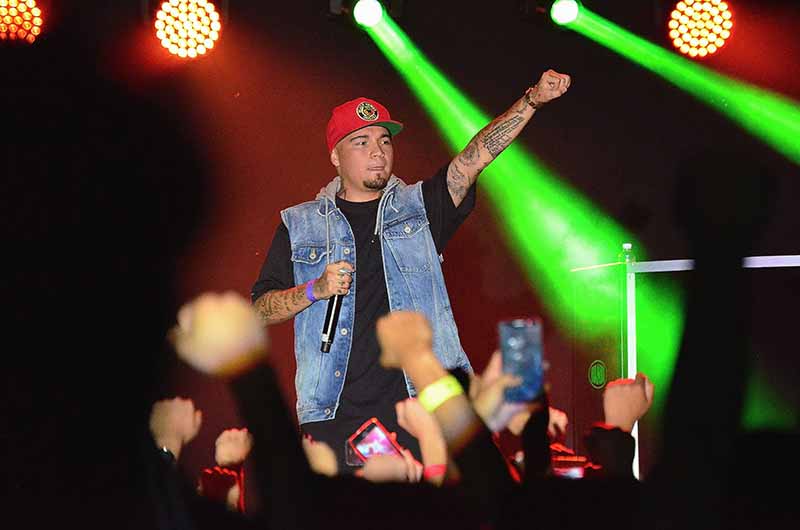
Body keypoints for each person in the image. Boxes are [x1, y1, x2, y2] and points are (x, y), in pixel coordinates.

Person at [251, 70, 571, 469]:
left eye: (384, 140)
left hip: (423, 406)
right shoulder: (299, 224)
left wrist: (532, 100)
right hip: (333, 414)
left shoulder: (418, 207)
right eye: (361, 142)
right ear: (335, 156)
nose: (377, 151)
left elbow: (473, 161)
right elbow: (259, 309)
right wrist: (314, 289)